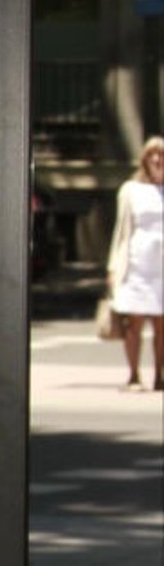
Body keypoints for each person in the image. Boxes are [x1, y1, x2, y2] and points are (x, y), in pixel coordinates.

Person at [105, 136, 164, 391]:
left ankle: (159, 376)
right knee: (133, 322)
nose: (157, 159)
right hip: (137, 264)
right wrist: (112, 267)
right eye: (153, 154)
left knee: (161, 324)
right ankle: (134, 375)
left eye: (161, 155)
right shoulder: (131, 190)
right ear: (145, 159)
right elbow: (121, 230)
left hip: (162, 267)